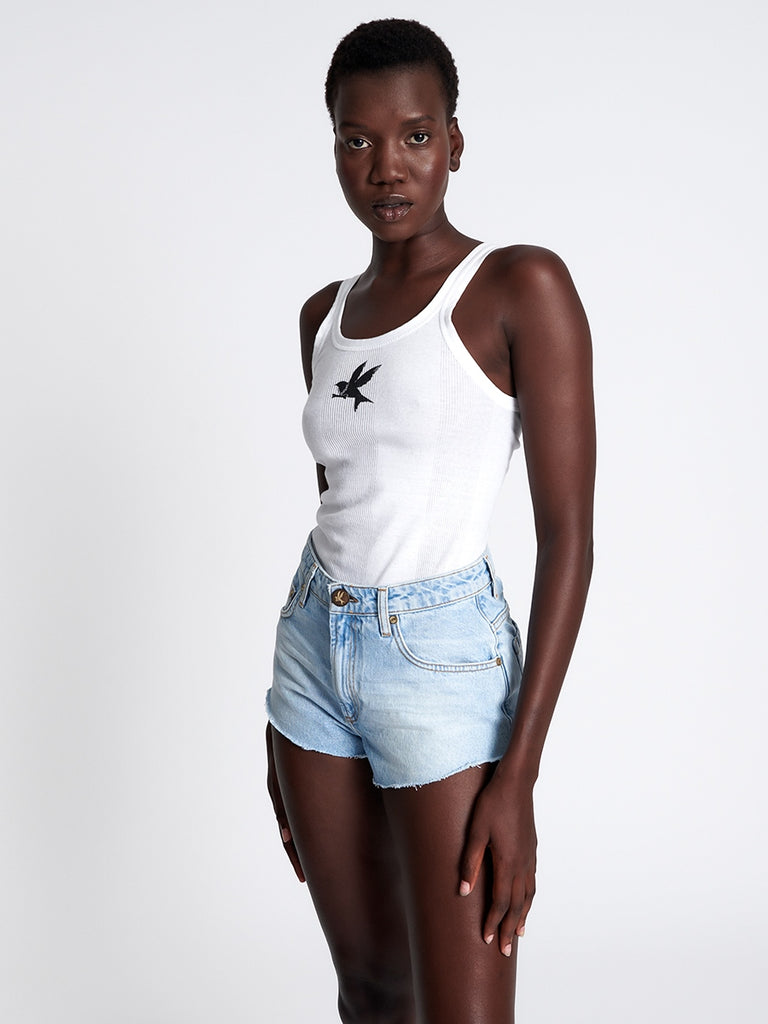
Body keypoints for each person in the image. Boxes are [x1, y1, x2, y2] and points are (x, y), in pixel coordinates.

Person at [265, 18, 595, 1024]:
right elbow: (344, 501)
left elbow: (568, 539)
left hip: (441, 664)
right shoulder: (322, 316)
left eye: (414, 136)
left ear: (454, 141)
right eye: (356, 140)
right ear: (333, 148)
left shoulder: (517, 285)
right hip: (312, 655)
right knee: (371, 993)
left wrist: (518, 773)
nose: (387, 167)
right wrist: (286, 716)